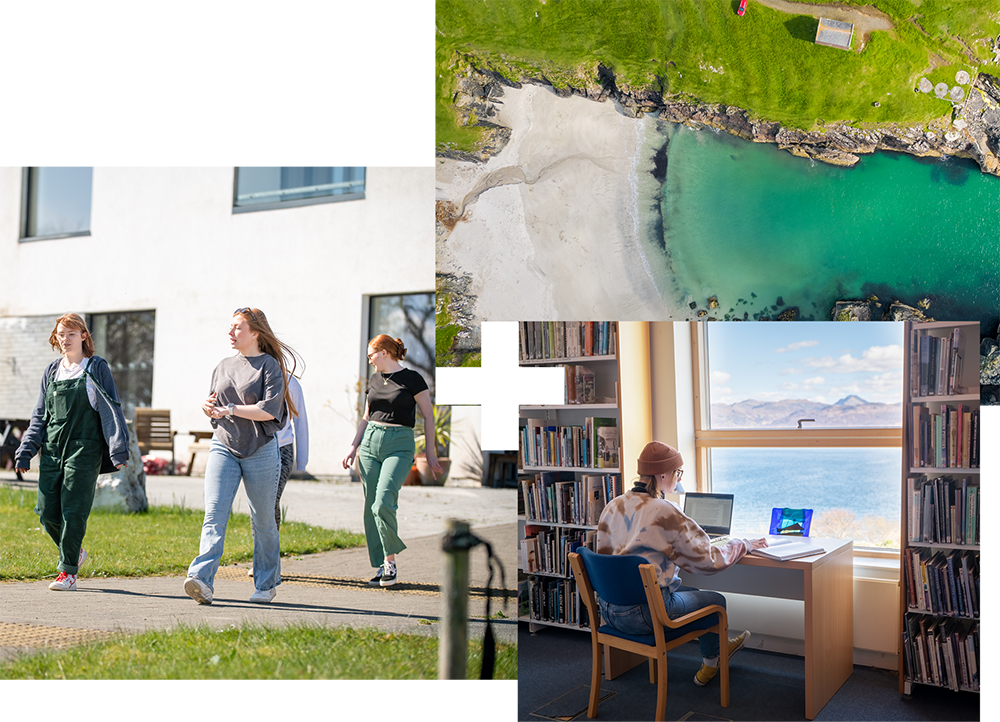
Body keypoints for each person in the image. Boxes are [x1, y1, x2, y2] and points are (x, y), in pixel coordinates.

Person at [596, 441, 768, 686]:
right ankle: (713, 662)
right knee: (716, 602)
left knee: (693, 592)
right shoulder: (665, 510)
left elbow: (605, 555)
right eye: (677, 473)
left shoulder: (613, 506)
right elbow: (708, 561)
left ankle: (717, 651)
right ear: (662, 474)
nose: (678, 479)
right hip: (647, 615)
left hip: (609, 611)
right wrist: (743, 545)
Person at [183, 307, 298, 605]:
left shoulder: (269, 366)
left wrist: (230, 410)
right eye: (231, 327)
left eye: (237, 327)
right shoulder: (223, 365)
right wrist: (208, 408)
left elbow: (269, 410)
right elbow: (214, 404)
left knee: (263, 520)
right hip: (224, 445)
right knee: (214, 514)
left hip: (261, 450)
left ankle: (266, 583)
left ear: (255, 333)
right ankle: (200, 579)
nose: (230, 332)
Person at [14, 313, 130, 592]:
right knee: (46, 512)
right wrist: (26, 450)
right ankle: (74, 552)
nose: (65, 339)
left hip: (84, 449)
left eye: (71, 334)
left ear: (83, 336)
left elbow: (111, 408)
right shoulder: (52, 371)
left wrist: (118, 449)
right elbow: (40, 416)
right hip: (52, 449)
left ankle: (67, 572)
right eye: (61, 334)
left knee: (73, 511)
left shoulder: (96, 367)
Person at [341, 335, 442, 587]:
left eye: (371, 355)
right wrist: (353, 446)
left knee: (383, 503)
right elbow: (366, 417)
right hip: (370, 444)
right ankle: (380, 565)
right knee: (370, 507)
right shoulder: (375, 380)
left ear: (384, 352)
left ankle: (391, 564)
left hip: (399, 445)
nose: (369, 360)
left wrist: (430, 452)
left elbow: (429, 417)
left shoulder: (413, 379)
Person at [249, 373, 308, 578]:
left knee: (271, 501)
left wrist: (302, 460)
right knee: (257, 505)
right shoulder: (252, 377)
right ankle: (262, 558)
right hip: (256, 448)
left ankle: (267, 561)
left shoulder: (290, 382)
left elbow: (300, 421)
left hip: (282, 449)